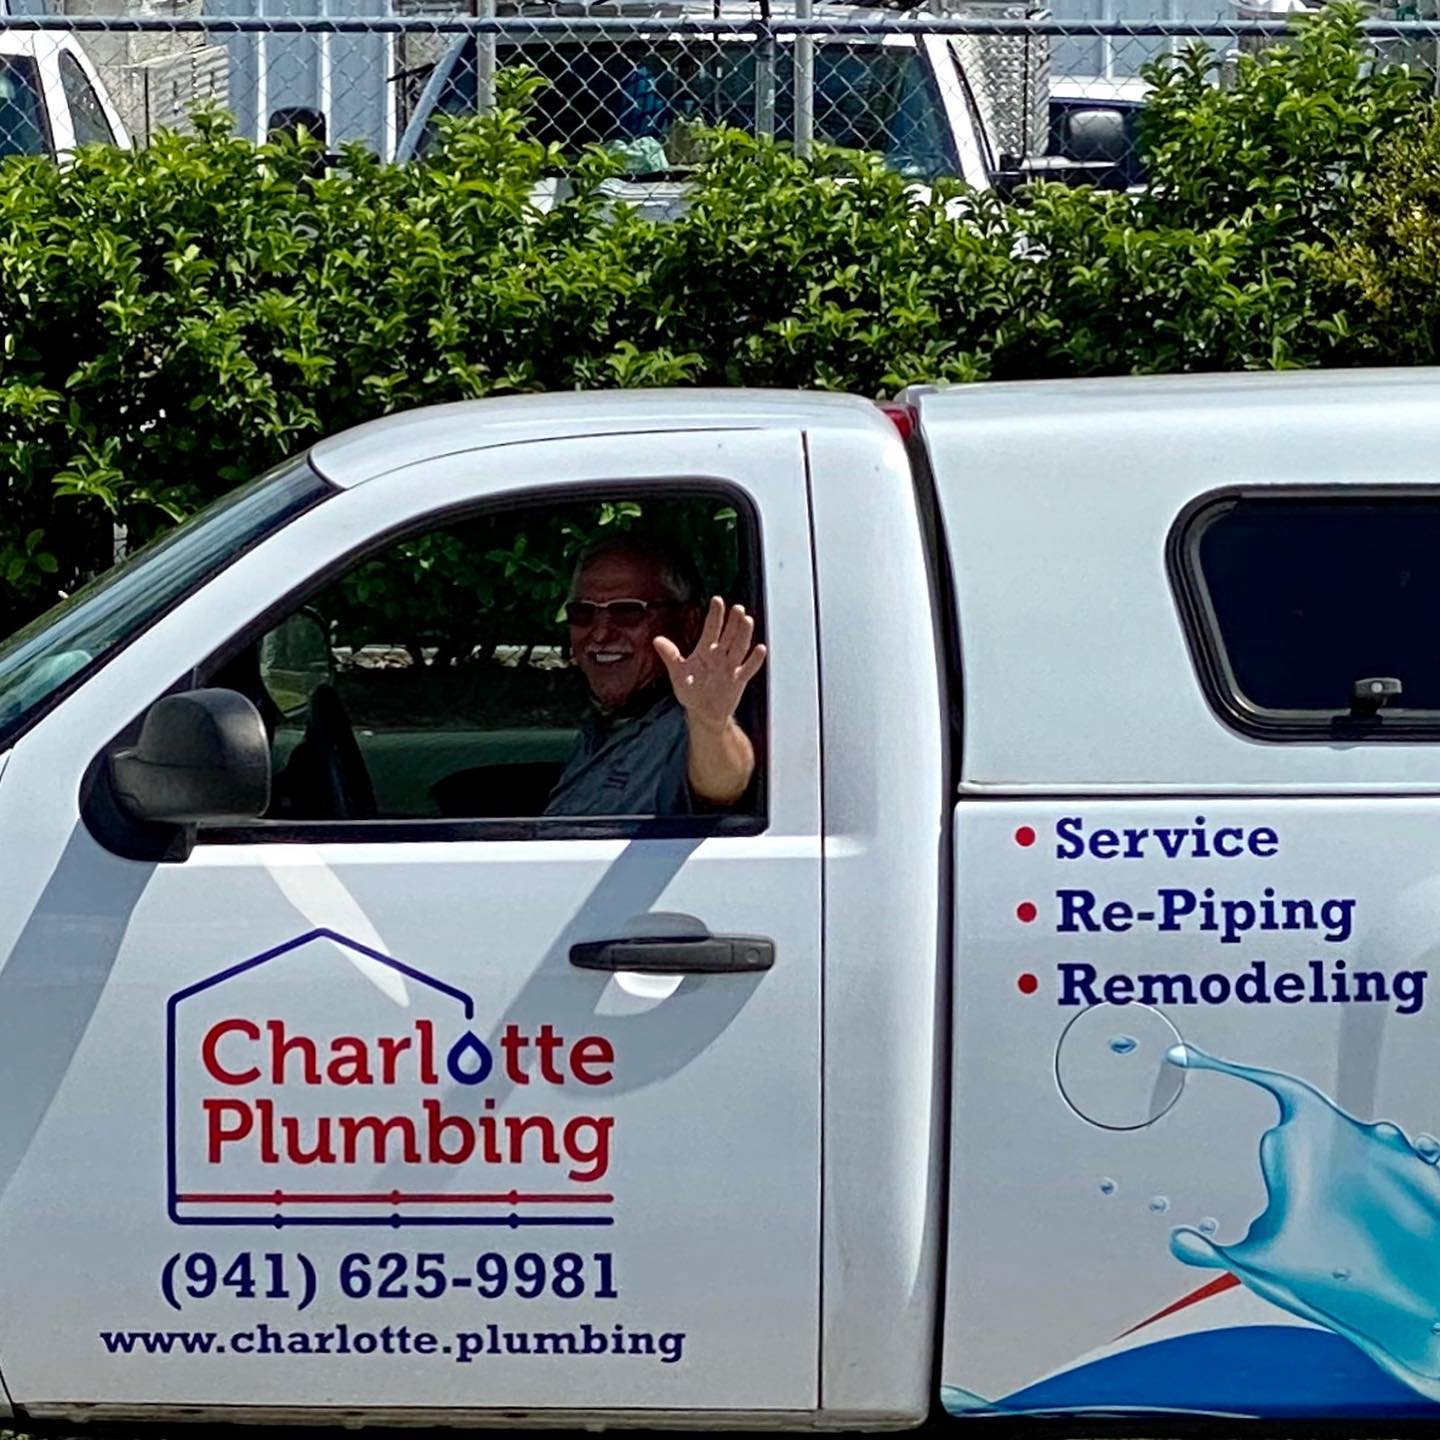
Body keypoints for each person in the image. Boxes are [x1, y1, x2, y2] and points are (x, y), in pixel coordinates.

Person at [544, 535, 766, 817]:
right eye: (582, 613)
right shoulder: (608, 722)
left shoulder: (684, 727)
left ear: (688, 622)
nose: (599, 634)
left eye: (627, 612)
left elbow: (725, 784)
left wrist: (711, 722)